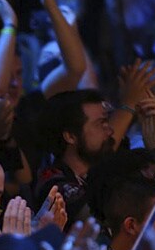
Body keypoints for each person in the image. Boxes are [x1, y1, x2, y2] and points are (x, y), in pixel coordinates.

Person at [35, 89, 116, 221]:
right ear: (70, 136)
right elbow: (98, 221)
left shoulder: (94, 174)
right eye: (100, 124)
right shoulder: (53, 184)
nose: (110, 131)